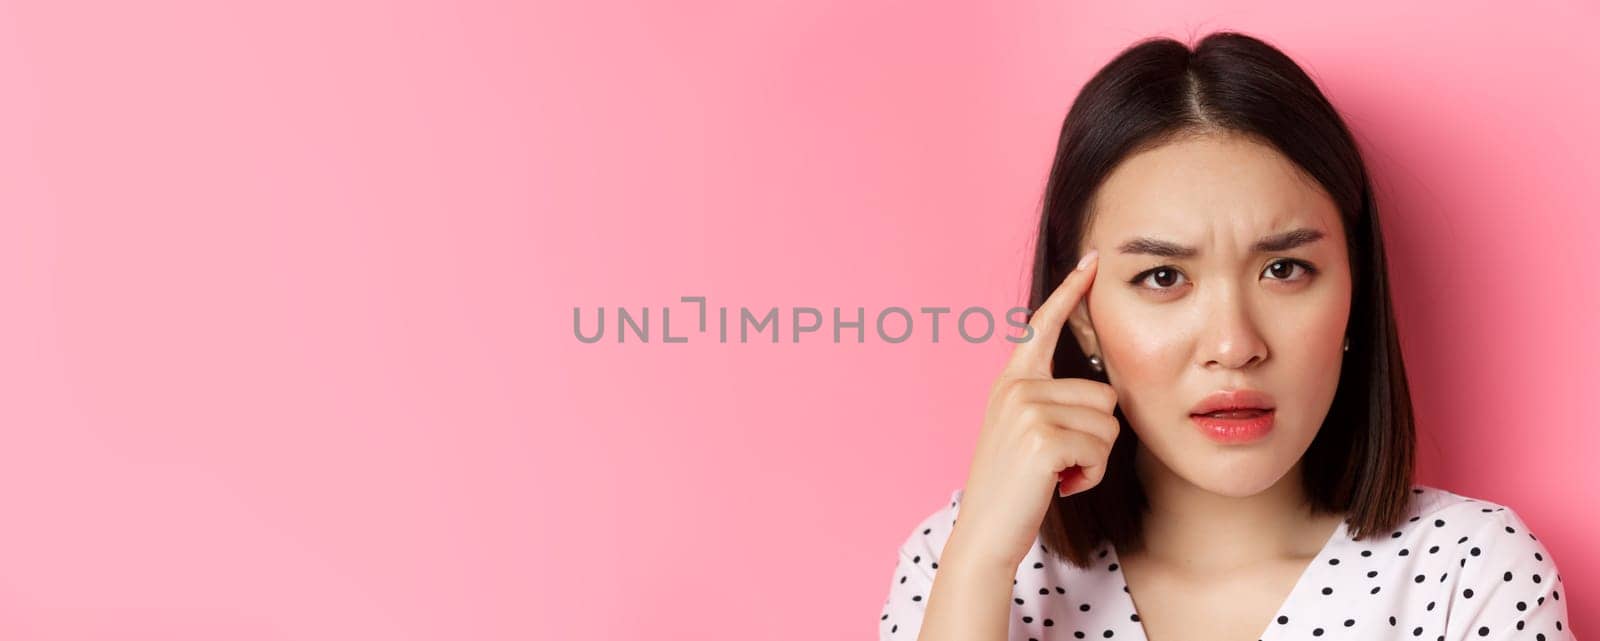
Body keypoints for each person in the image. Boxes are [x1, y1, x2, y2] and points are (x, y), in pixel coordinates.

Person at [878, 31, 1574, 641]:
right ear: (1082, 312)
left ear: (1356, 291)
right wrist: (978, 567)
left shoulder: (1467, 572)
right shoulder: (962, 559)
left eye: (1284, 268)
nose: (1234, 343)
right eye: (1161, 277)